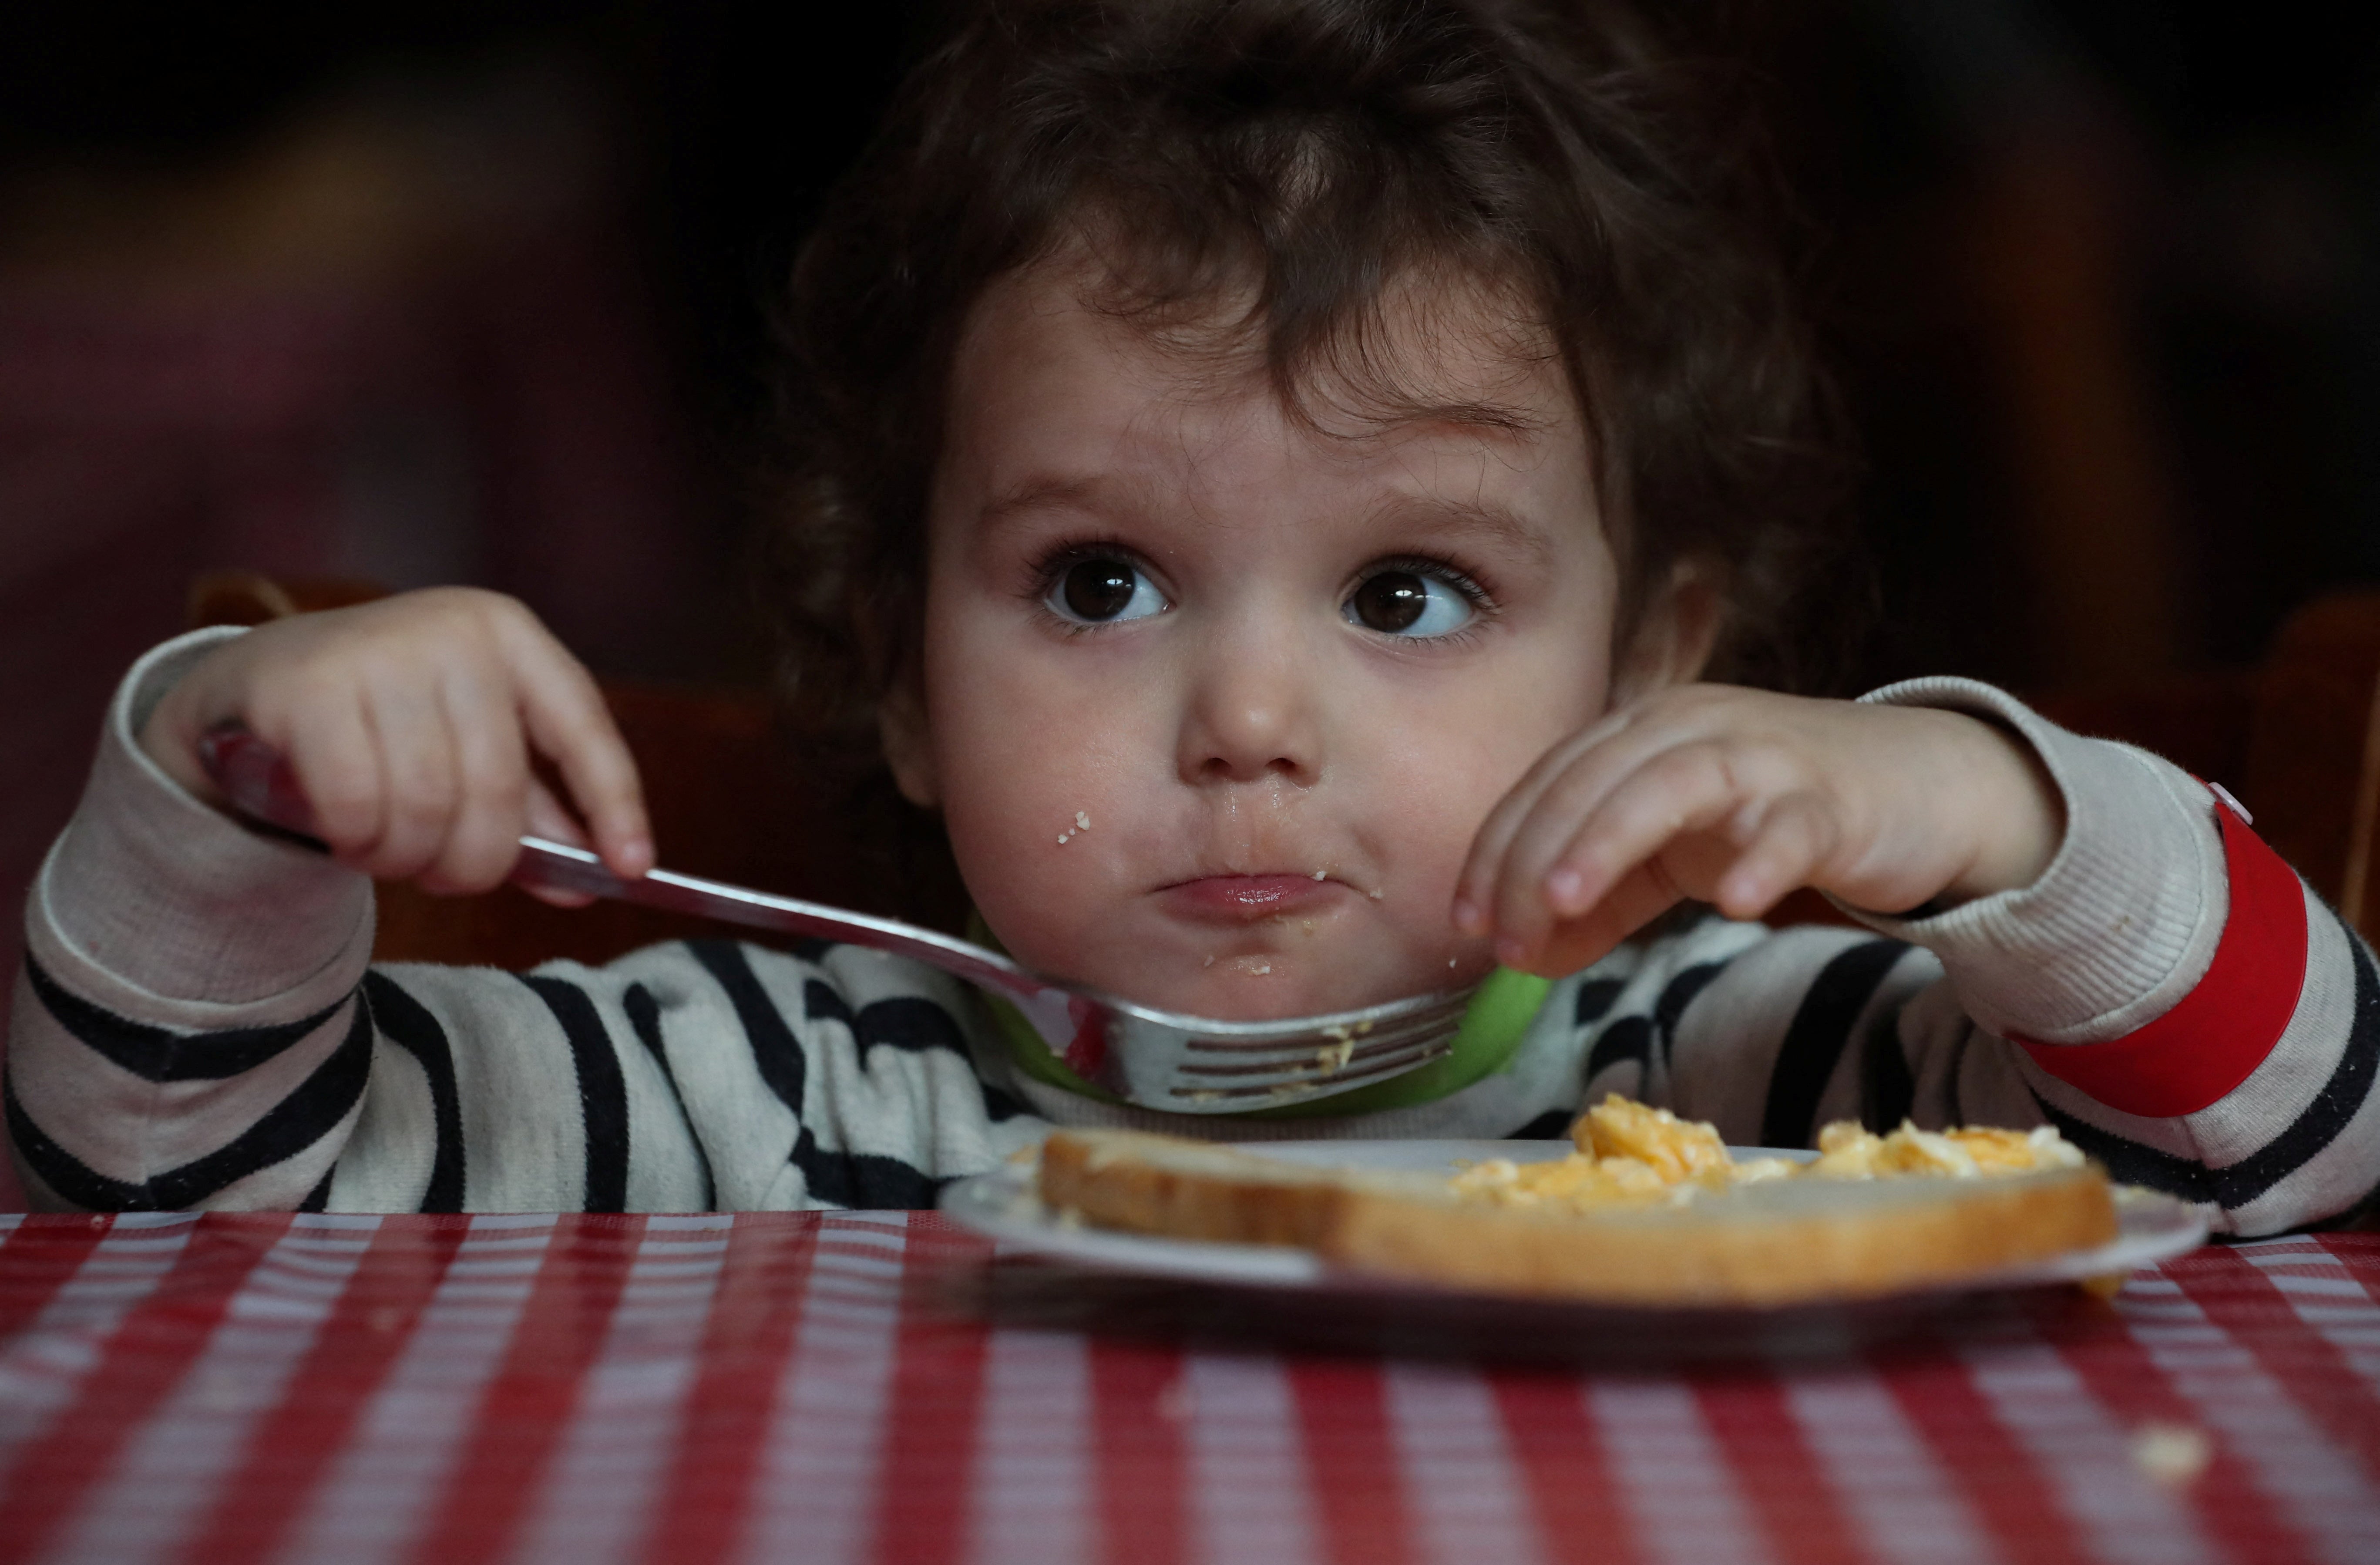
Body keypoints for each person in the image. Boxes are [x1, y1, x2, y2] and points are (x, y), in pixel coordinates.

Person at [10, 0, 2372, 1232]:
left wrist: (2001, 808)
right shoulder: (762, 1088)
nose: (1247, 715)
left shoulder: (1766, 1073)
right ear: (910, 680)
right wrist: (233, 769)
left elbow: (2301, 1146)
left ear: (1658, 668)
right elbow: (163, 1191)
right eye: (1099, 583)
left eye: (1411, 589)